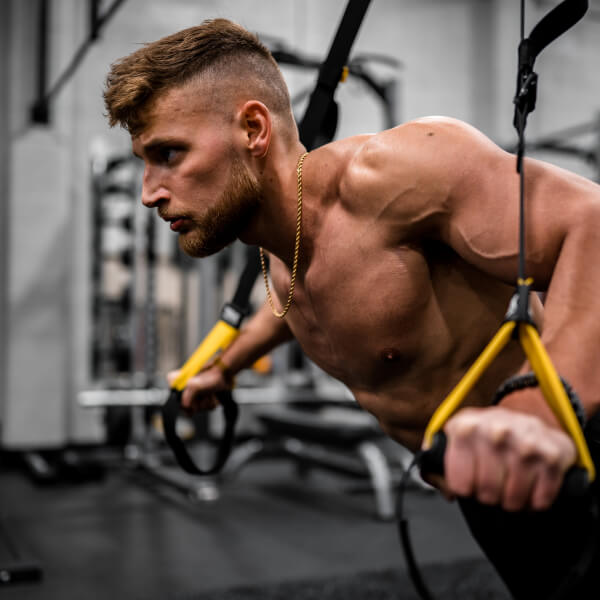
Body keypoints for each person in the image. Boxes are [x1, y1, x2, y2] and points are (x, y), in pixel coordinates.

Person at [103, 19, 600, 598]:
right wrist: (227, 365)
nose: (149, 192)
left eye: (168, 153)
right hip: (493, 489)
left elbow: (593, 227)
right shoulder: (280, 252)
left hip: (574, 438)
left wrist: (540, 410)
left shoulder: (396, 177)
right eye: (144, 161)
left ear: (253, 129)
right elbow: (295, 307)